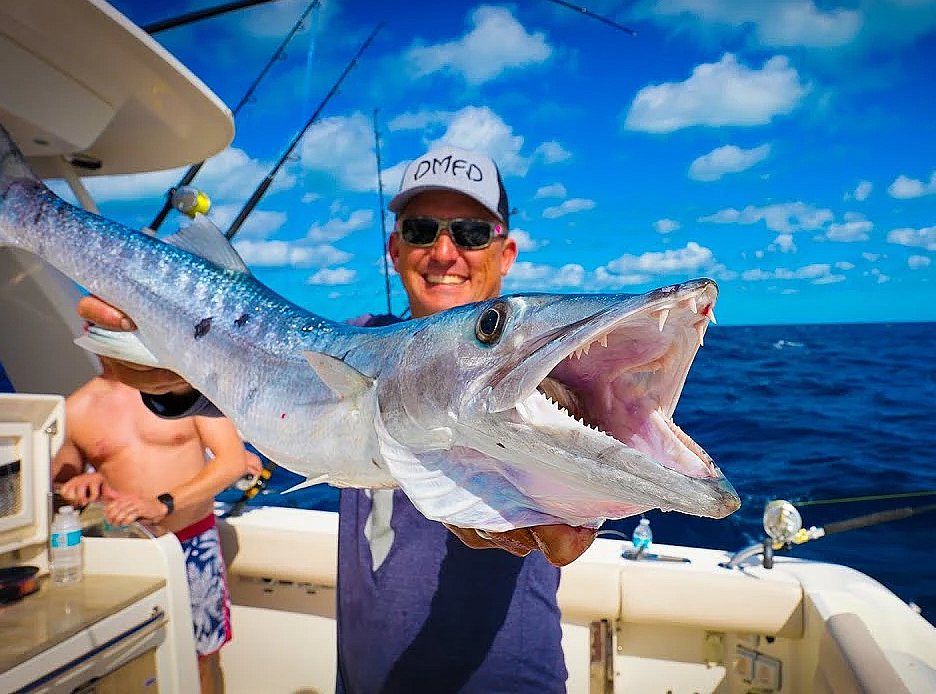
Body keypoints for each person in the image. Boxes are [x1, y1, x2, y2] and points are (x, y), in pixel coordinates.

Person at [77, 145, 598, 692]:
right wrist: (167, 376)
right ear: (395, 249)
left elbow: (574, 490)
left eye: (469, 233)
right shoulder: (348, 342)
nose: (445, 252)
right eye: (422, 230)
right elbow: (230, 383)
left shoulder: (540, 378)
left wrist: (564, 505)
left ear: (505, 252)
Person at [53, 373, 262, 694]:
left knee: (200, 660)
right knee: (132, 659)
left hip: (192, 545)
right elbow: (57, 491)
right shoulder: (75, 408)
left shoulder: (182, 390)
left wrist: (164, 504)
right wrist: (72, 490)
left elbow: (232, 461)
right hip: (127, 555)